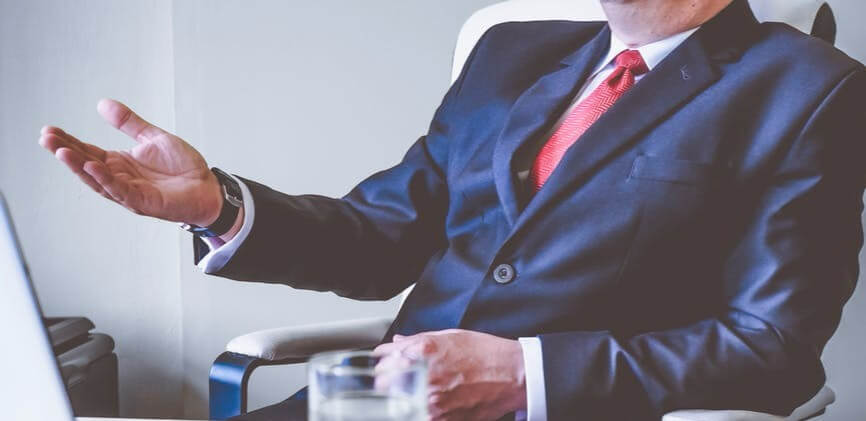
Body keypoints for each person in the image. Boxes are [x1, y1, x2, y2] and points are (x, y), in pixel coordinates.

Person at [39, 0, 866, 419]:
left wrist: (523, 375)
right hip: (377, 400)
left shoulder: (811, 88)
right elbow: (380, 238)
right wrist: (221, 204)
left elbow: (774, 345)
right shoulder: (515, 52)